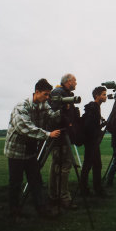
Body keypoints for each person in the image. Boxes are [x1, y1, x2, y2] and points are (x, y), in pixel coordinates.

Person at [4, 79, 61, 221]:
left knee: (36, 182)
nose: (47, 98)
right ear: (37, 92)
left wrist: (64, 108)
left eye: (49, 95)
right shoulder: (21, 106)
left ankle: (43, 211)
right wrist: (48, 134)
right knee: (15, 183)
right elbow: (25, 128)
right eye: (45, 94)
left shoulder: (44, 104)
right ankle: (14, 212)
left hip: (30, 151)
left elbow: (53, 116)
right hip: (16, 151)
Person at [48, 73, 79, 209]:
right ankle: (64, 198)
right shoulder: (59, 93)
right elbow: (56, 115)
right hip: (61, 136)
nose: (76, 83)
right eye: (74, 81)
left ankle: (53, 196)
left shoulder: (61, 92)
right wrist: (70, 125)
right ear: (68, 82)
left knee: (56, 165)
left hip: (59, 135)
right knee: (64, 166)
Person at [80, 86, 108, 197]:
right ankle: (91, 189)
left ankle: (88, 189)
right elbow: (89, 126)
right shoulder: (94, 107)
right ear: (97, 96)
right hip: (91, 141)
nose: (105, 97)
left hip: (91, 140)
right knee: (91, 165)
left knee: (93, 164)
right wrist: (99, 130)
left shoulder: (95, 107)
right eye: (103, 94)